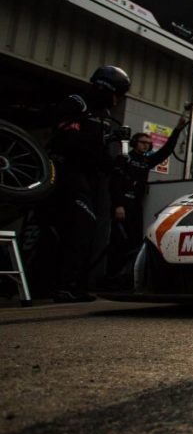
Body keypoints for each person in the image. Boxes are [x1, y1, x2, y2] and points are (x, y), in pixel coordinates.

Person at [46, 65, 132, 303]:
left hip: (90, 177)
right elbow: (67, 139)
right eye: (119, 93)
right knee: (78, 224)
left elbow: (98, 149)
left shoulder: (104, 114)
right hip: (66, 173)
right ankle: (62, 285)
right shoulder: (77, 103)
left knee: (87, 229)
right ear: (108, 88)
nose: (118, 99)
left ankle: (72, 284)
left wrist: (112, 161)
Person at [104, 116, 187, 288]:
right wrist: (118, 205)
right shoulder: (125, 158)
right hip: (123, 206)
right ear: (134, 142)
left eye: (148, 143)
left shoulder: (146, 161)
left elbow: (166, 151)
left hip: (136, 207)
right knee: (118, 242)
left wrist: (178, 129)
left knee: (134, 242)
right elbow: (115, 182)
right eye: (143, 142)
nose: (146, 145)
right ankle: (111, 279)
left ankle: (127, 279)